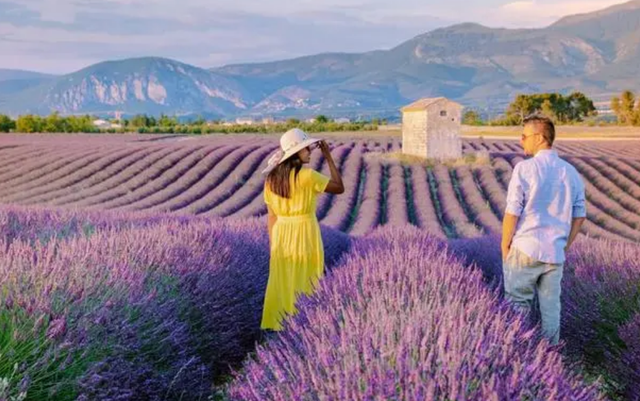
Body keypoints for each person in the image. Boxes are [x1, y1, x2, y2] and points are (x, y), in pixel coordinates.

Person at [501, 115, 586, 345]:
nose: (521, 141)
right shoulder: (571, 172)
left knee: (517, 304)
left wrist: (505, 245)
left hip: (526, 247)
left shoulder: (524, 168)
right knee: (551, 310)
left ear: (539, 138)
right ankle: (550, 361)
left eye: (524, 136)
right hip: (555, 253)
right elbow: (580, 214)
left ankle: (515, 354)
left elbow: (512, 211)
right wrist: (565, 245)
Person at [260, 128, 344, 332]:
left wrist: (274, 246)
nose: (310, 151)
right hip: (304, 232)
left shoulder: (271, 181)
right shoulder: (307, 176)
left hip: (281, 234)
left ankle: (282, 327)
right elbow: (339, 187)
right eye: (306, 148)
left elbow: (272, 216)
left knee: (284, 280)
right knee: (307, 278)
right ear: (296, 153)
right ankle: (306, 328)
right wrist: (328, 156)